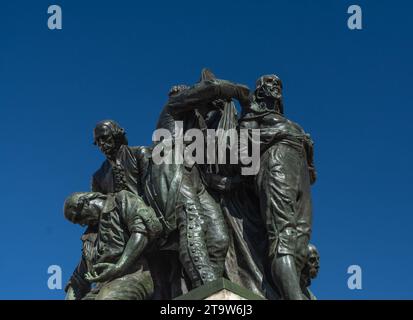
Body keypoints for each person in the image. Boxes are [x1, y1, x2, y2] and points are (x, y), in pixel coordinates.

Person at [239, 74, 316, 300]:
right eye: (269, 83)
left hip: (299, 169)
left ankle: (291, 289)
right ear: (260, 91)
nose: (275, 86)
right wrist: (281, 134)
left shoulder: (291, 123)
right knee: (283, 237)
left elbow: (314, 175)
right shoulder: (254, 114)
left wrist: (309, 150)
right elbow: (244, 146)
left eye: (278, 84)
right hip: (276, 162)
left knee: (301, 242)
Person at [64, 190, 162, 300]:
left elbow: (142, 231)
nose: (82, 223)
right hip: (100, 289)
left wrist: (118, 267)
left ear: (86, 202)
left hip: (132, 276)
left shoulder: (121, 200)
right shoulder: (89, 237)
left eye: (78, 217)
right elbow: (78, 278)